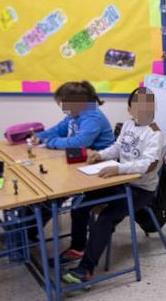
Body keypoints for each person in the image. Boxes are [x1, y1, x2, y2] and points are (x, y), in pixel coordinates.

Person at [61, 86, 162, 286]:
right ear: (130, 109)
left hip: (140, 190)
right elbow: (117, 148)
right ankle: (77, 248)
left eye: (148, 106)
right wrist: (100, 155)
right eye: (138, 106)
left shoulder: (155, 134)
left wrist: (120, 169)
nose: (143, 110)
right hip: (120, 181)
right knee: (80, 203)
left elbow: (149, 165)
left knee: (105, 219)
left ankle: (85, 270)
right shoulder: (128, 125)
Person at [29, 81, 115, 258]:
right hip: (80, 166)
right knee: (49, 193)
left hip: (99, 172)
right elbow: (59, 129)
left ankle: (78, 247)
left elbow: (80, 142)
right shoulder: (74, 114)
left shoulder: (93, 117)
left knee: (75, 204)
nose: (62, 108)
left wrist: (50, 143)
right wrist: (40, 136)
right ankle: (28, 233)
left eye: (63, 104)